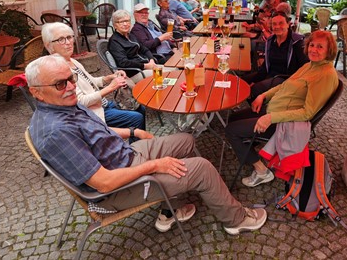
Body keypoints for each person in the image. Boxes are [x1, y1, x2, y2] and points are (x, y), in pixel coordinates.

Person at [26, 55, 267, 234]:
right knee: (202, 168)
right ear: (36, 92)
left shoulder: (64, 104)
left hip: (124, 156)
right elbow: (103, 182)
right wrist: (154, 166)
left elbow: (98, 133)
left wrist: (133, 131)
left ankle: (171, 208)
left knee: (186, 139)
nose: (70, 87)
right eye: (60, 84)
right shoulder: (56, 131)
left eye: (71, 79)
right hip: (117, 187)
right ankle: (235, 220)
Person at [225, 31, 338, 187]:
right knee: (232, 118)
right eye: (312, 45)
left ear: (329, 50)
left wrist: (270, 118)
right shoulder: (309, 65)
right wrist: (263, 95)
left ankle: (261, 171)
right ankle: (247, 149)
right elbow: (284, 85)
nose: (313, 49)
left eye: (320, 47)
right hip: (273, 109)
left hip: (282, 122)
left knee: (231, 130)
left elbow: (308, 113)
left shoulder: (325, 75)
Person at [41, 22, 146, 131]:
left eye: (69, 37)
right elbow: (81, 102)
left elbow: (91, 82)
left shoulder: (72, 61)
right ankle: (132, 146)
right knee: (137, 118)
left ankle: (136, 145)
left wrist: (110, 77)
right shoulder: (59, 69)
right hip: (92, 113)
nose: (68, 42)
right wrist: (111, 87)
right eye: (61, 39)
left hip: (102, 104)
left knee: (140, 108)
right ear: (49, 45)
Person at [243, 13, 309, 101]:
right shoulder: (271, 41)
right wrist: (254, 80)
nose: (277, 26)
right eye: (274, 24)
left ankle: (255, 111)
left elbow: (305, 67)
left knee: (255, 89)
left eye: (281, 23)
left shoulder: (297, 43)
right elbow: (265, 67)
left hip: (286, 79)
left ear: (288, 24)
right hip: (270, 75)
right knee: (242, 81)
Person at [108, 9, 157, 81]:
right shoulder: (114, 41)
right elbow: (124, 62)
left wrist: (151, 60)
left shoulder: (131, 35)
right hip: (134, 73)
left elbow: (144, 49)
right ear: (115, 25)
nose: (125, 24)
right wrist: (145, 66)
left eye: (127, 21)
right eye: (121, 22)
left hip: (146, 65)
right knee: (168, 74)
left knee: (174, 70)